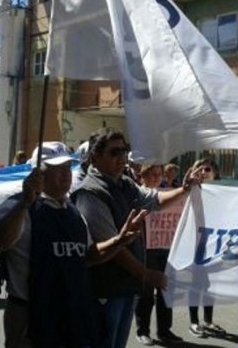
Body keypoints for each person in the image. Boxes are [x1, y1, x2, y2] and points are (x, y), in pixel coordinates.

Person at [0, 142, 148, 348]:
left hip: (69, 313)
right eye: (55, 169)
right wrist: (25, 203)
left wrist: (119, 240)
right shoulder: (16, 206)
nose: (64, 174)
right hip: (29, 314)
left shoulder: (74, 212)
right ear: (36, 173)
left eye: (66, 168)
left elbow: (89, 256)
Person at [72, 130, 203, 348]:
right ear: (95, 157)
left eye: (124, 150)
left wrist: (185, 189)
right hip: (106, 291)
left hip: (126, 287)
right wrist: (146, 274)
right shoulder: (90, 193)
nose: (122, 157)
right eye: (115, 152)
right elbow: (113, 247)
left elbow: (154, 200)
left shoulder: (125, 184)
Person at [134, 164, 183, 345]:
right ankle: (142, 330)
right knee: (146, 293)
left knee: (166, 291)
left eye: (159, 174)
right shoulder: (138, 194)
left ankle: (164, 330)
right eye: (152, 174)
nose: (156, 178)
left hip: (166, 249)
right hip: (146, 250)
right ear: (143, 176)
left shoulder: (168, 194)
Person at [186, 158, 227, 339]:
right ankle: (194, 322)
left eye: (207, 169)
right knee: (196, 284)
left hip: (214, 243)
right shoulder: (189, 190)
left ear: (215, 173)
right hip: (194, 243)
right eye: (199, 169)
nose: (203, 172)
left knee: (210, 285)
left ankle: (208, 321)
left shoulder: (222, 192)